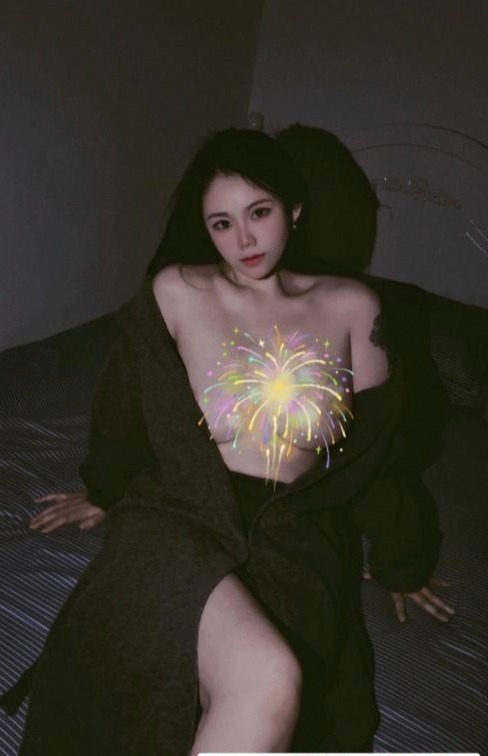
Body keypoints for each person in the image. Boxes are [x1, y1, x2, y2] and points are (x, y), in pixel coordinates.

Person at [10, 128, 454, 754]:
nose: (242, 240)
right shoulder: (177, 291)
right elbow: (125, 408)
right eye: (221, 223)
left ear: (294, 210)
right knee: (254, 678)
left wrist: (403, 561)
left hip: (293, 533)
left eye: (259, 213)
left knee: (270, 691)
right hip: (178, 514)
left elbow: (378, 454)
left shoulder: (353, 306)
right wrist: (104, 491)